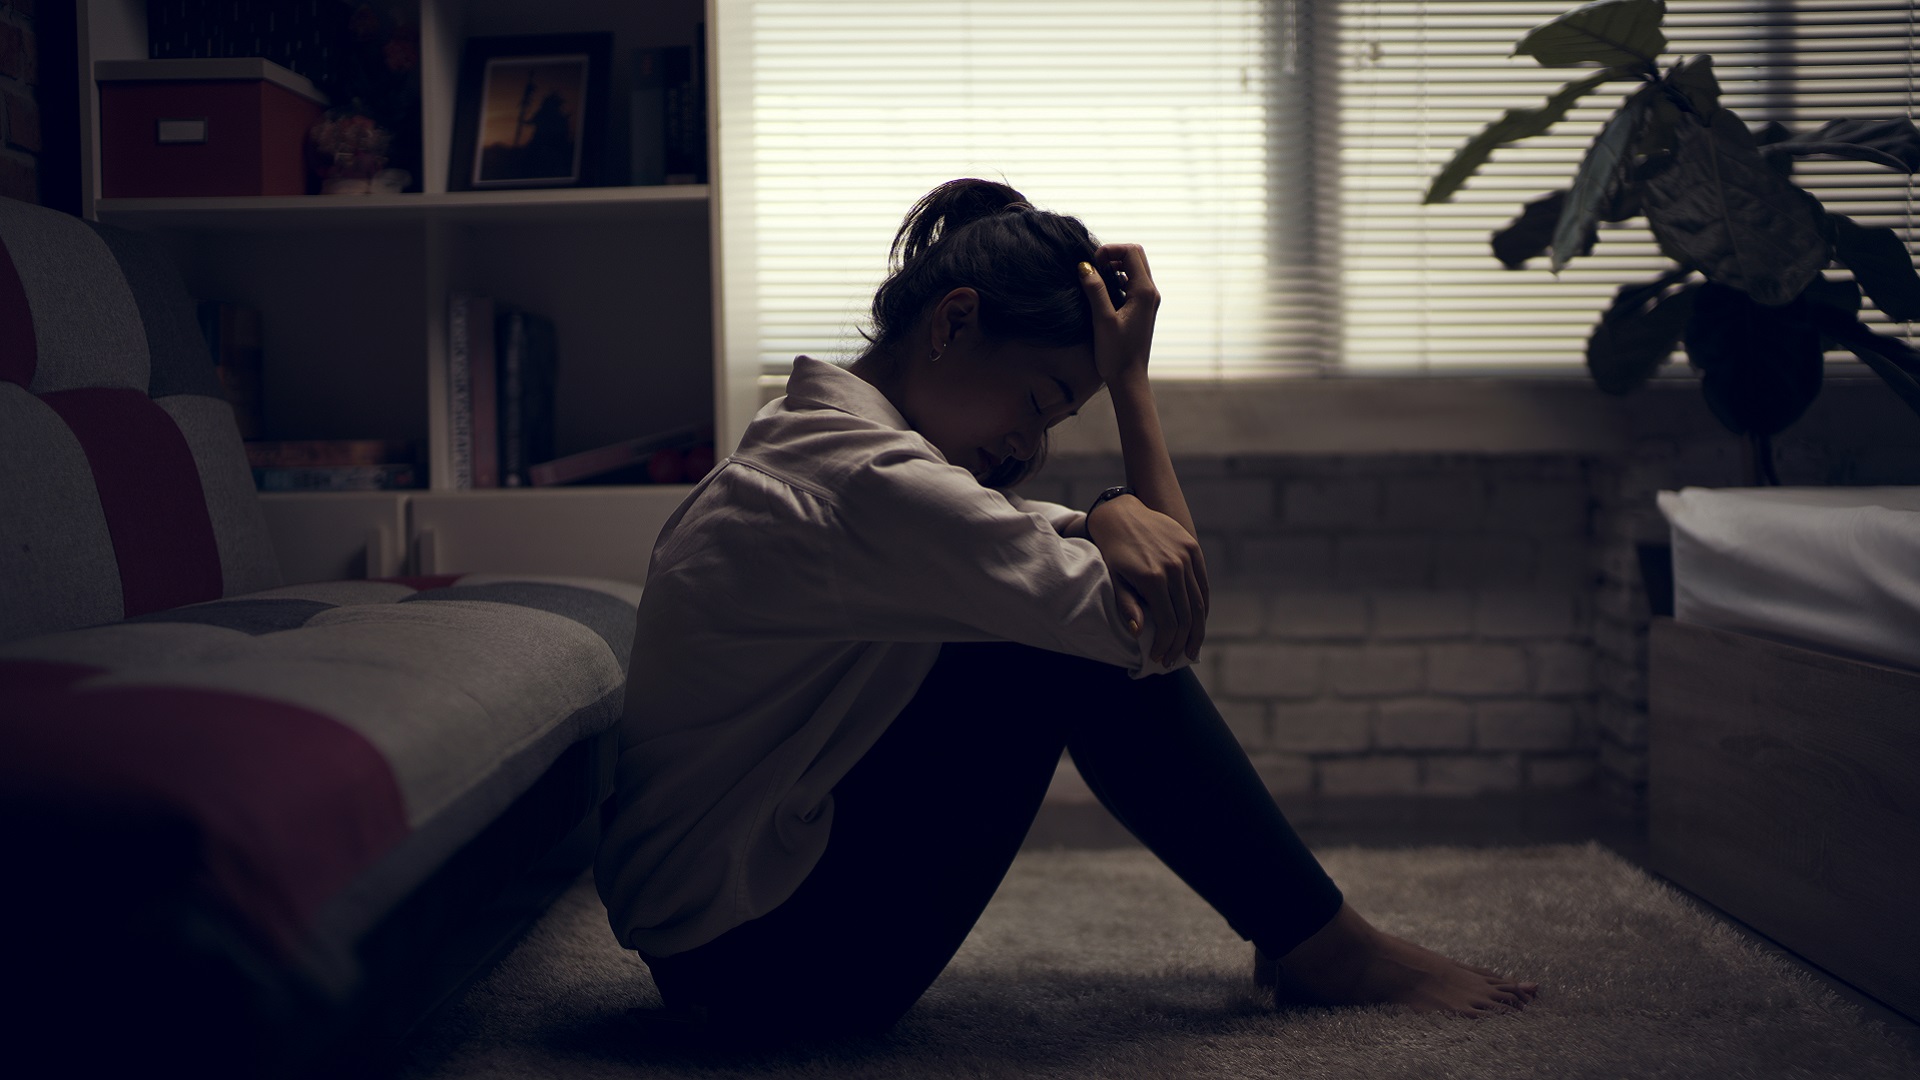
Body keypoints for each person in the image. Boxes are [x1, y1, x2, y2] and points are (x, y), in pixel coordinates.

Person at [594, 178, 1541, 1044]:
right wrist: (1129, 391)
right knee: (1070, 649)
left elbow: (1056, 550)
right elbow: (1163, 625)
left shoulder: (821, 443)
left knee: (1048, 617)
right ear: (952, 322)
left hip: (717, 949)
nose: (1025, 440)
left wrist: (1098, 514)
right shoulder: (865, 479)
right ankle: (1327, 948)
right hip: (769, 977)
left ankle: (1302, 931)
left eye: (1053, 422)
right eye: (1038, 401)